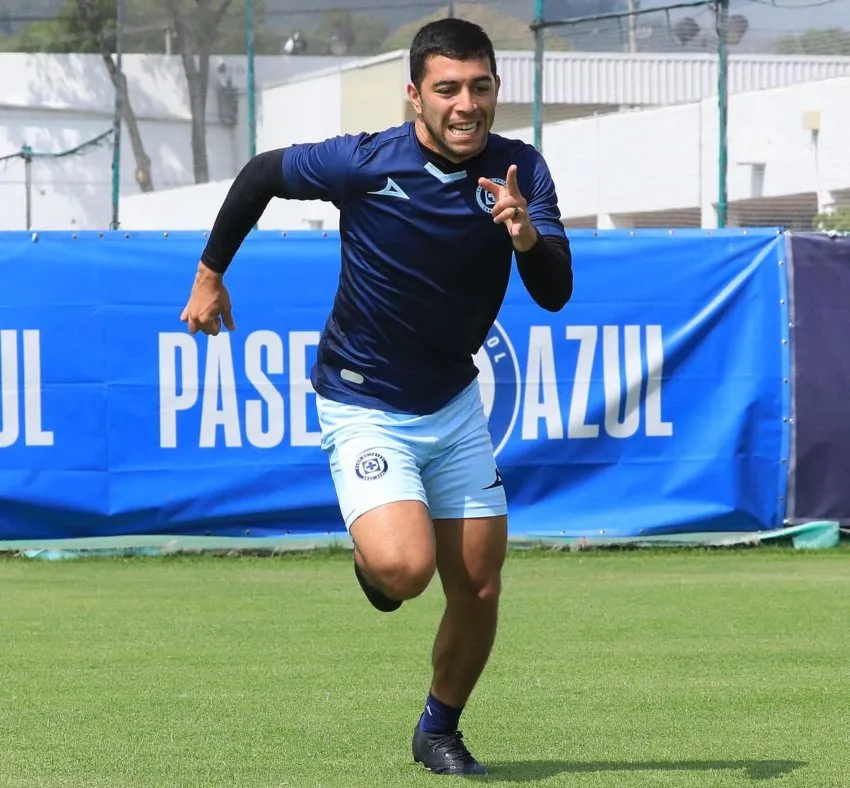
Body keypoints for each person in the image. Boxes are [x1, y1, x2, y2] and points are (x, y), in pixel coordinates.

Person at [180, 17, 573, 777]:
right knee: (404, 571)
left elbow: (554, 292)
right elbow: (262, 172)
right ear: (415, 97)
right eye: (448, 89)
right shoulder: (364, 161)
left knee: (482, 583)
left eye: (481, 87)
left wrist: (523, 232)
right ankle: (375, 567)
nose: (467, 104)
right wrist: (209, 272)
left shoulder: (522, 170)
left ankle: (439, 729)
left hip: (454, 404)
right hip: (362, 399)